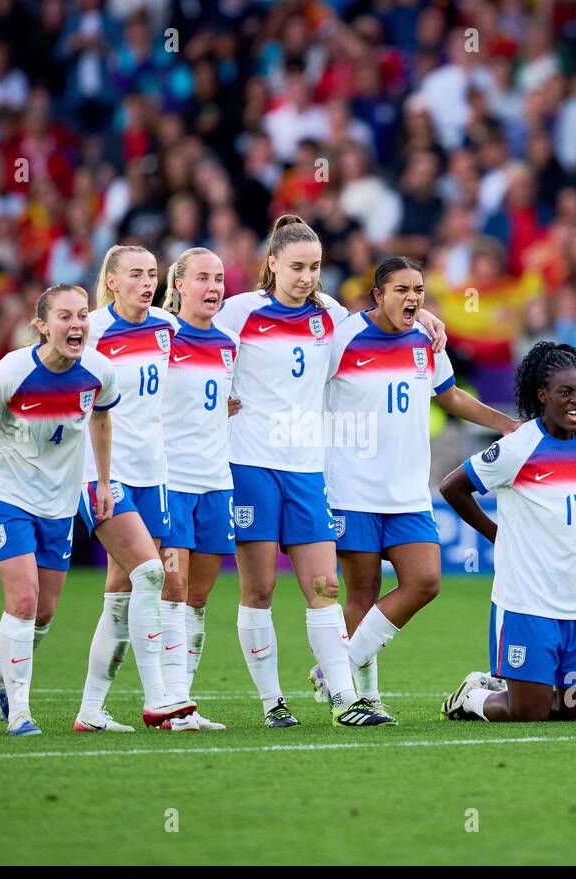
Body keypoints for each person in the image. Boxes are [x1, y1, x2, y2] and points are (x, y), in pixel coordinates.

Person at [216, 214, 444, 728]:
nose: (306, 277)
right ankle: (273, 702)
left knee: (325, 588)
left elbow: (381, 321)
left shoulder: (330, 318)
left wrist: (426, 317)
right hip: (251, 464)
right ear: (272, 264)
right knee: (259, 591)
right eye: (296, 267)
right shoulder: (240, 313)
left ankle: (344, 700)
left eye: (315, 267)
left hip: (307, 471)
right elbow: (198, 343)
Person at [311, 256, 518, 718]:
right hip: (352, 488)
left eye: (418, 290)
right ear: (377, 295)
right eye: (401, 289)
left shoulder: (427, 338)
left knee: (425, 581)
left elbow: (449, 395)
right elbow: (306, 387)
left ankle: (336, 668)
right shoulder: (343, 337)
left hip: (406, 490)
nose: (411, 298)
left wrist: (505, 423)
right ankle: (363, 698)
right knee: (361, 596)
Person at [0, 284, 117, 736]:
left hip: (58, 501)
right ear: (41, 326)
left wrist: (105, 482)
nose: (76, 325)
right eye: (65, 317)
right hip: (3, 493)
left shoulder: (99, 371)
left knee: (46, 611)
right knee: (24, 599)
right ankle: (20, 712)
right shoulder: (10, 373)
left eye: (82, 316)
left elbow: (102, 418)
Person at [440, 342, 576, 723]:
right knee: (527, 714)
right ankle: (472, 696)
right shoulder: (519, 446)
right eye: (564, 392)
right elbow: (453, 487)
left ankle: (524, 684)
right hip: (526, 601)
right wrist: (495, 534)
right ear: (542, 395)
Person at [73, 245, 199, 732]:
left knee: (122, 593)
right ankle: (158, 700)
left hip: (154, 474)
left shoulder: (167, 328)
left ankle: (90, 710)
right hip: (103, 475)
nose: (147, 283)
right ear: (110, 280)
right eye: (135, 275)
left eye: (153, 274)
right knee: (152, 575)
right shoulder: (93, 332)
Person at [155, 247, 239, 730]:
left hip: (216, 482)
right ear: (180, 285)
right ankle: (171, 701)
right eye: (203, 278)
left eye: (220, 279)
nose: (213, 287)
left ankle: (184, 699)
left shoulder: (228, 343)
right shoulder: (162, 336)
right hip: (173, 481)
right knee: (174, 587)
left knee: (201, 597)